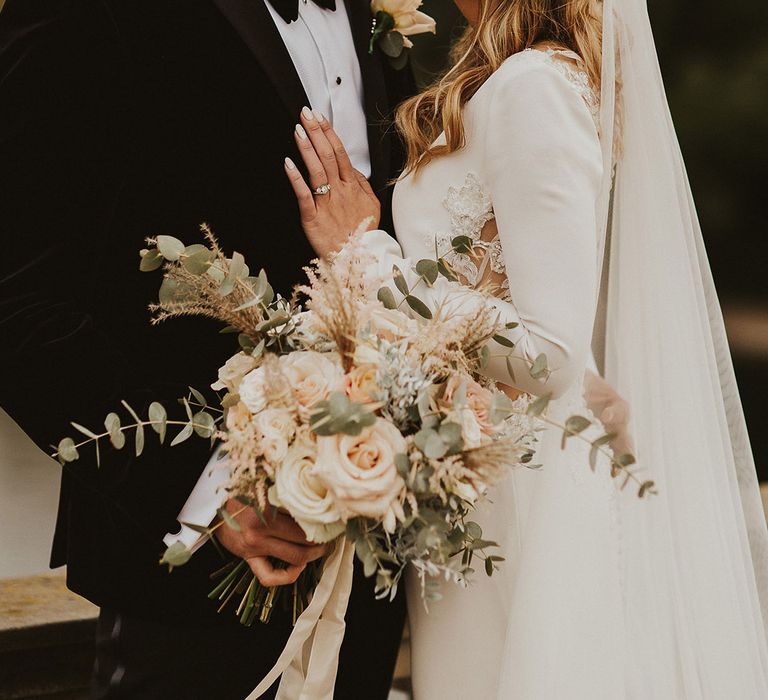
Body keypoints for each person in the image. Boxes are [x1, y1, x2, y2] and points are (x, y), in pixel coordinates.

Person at [283, 0, 768, 697]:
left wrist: (365, 255)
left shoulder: (534, 85)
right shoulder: (522, 77)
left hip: (520, 509)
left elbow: (548, 353)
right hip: (487, 478)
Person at [0, 0, 415, 697]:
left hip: (374, 579)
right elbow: (16, 303)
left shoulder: (367, 11)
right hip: (188, 593)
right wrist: (210, 489)